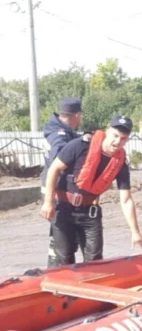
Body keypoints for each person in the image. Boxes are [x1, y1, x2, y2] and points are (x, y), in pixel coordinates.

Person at [40, 115, 142, 266]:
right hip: (64, 209)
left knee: (95, 260)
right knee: (64, 258)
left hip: (90, 213)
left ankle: (90, 286)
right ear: (107, 132)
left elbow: (126, 199)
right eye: (115, 136)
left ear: (127, 140)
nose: (117, 142)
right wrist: (48, 202)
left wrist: (135, 232)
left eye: (123, 138)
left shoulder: (120, 163)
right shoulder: (79, 145)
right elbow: (54, 169)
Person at [40, 98, 83, 267]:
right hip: (55, 191)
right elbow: (61, 156)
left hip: (58, 190)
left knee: (62, 236)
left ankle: (57, 267)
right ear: (77, 115)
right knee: (60, 235)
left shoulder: (62, 131)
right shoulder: (58, 134)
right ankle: (56, 271)